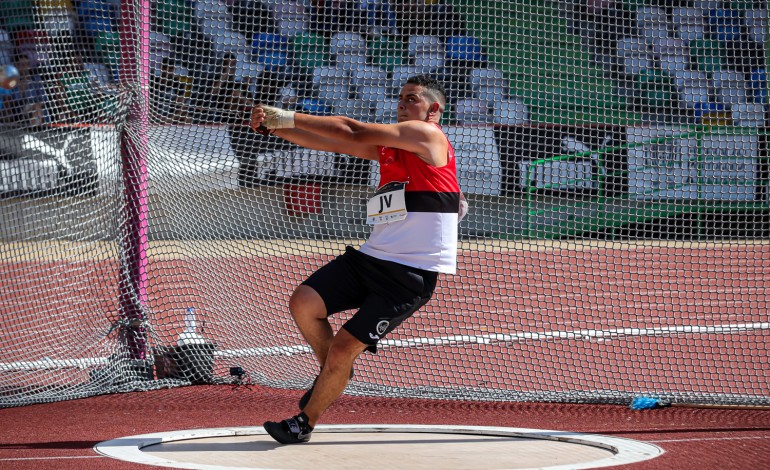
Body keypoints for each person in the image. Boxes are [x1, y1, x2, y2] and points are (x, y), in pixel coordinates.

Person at [250, 75, 467, 444]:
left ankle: (304, 421)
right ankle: (335, 374)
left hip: (408, 277)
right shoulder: (395, 147)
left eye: (411, 99)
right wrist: (277, 130)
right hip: (371, 258)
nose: (402, 104)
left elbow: (350, 129)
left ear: (434, 110)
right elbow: (335, 142)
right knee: (303, 302)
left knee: (342, 350)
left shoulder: (428, 135)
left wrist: (286, 116)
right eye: (399, 98)